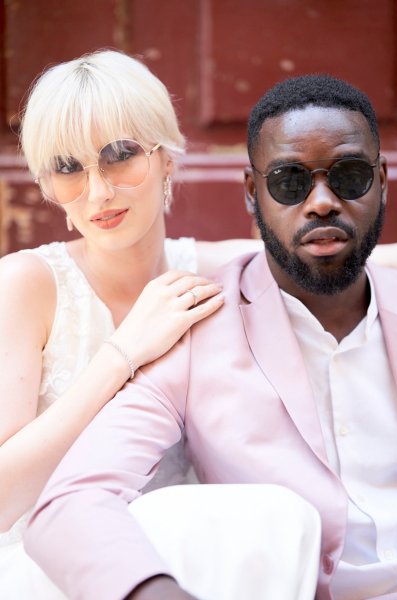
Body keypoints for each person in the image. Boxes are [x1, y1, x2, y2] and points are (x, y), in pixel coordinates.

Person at [24, 72, 397, 600]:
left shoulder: (200, 267)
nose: (320, 203)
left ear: (382, 181)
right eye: (289, 181)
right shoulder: (195, 326)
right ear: (252, 193)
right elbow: (72, 500)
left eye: (351, 176)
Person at [0, 49, 267, 598]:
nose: (97, 193)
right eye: (69, 168)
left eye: (120, 155)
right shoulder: (27, 285)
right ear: (49, 186)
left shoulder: (209, 270)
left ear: (167, 157)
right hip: (47, 569)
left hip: (188, 559)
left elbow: (354, 258)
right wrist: (122, 354)